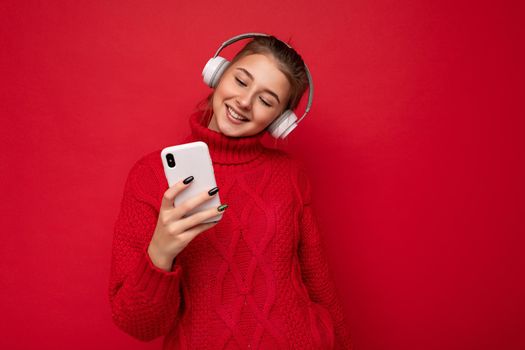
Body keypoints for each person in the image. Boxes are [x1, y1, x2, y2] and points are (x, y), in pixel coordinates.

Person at [109, 34, 353, 349]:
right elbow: (138, 325)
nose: (244, 101)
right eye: (240, 81)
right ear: (218, 73)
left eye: (266, 101)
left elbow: (319, 282)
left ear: (279, 121)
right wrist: (161, 252)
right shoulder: (150, 176)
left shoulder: (290, 174)